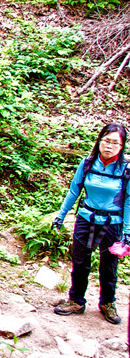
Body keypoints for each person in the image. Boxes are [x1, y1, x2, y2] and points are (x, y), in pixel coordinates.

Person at [52, 123, 130, 324]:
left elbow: (129, 201)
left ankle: (107, 303)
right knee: (80, 261)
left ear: (122, 146)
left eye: (115, 143)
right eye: (106, 140)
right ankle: (76, 301)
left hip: (112, 223)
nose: (109, 146)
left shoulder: (126, 170)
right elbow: (74, 190)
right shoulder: (87, 163)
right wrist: (61, 215)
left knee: (109, 266)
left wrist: (127, 231)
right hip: (86, 219)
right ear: (99, 141)